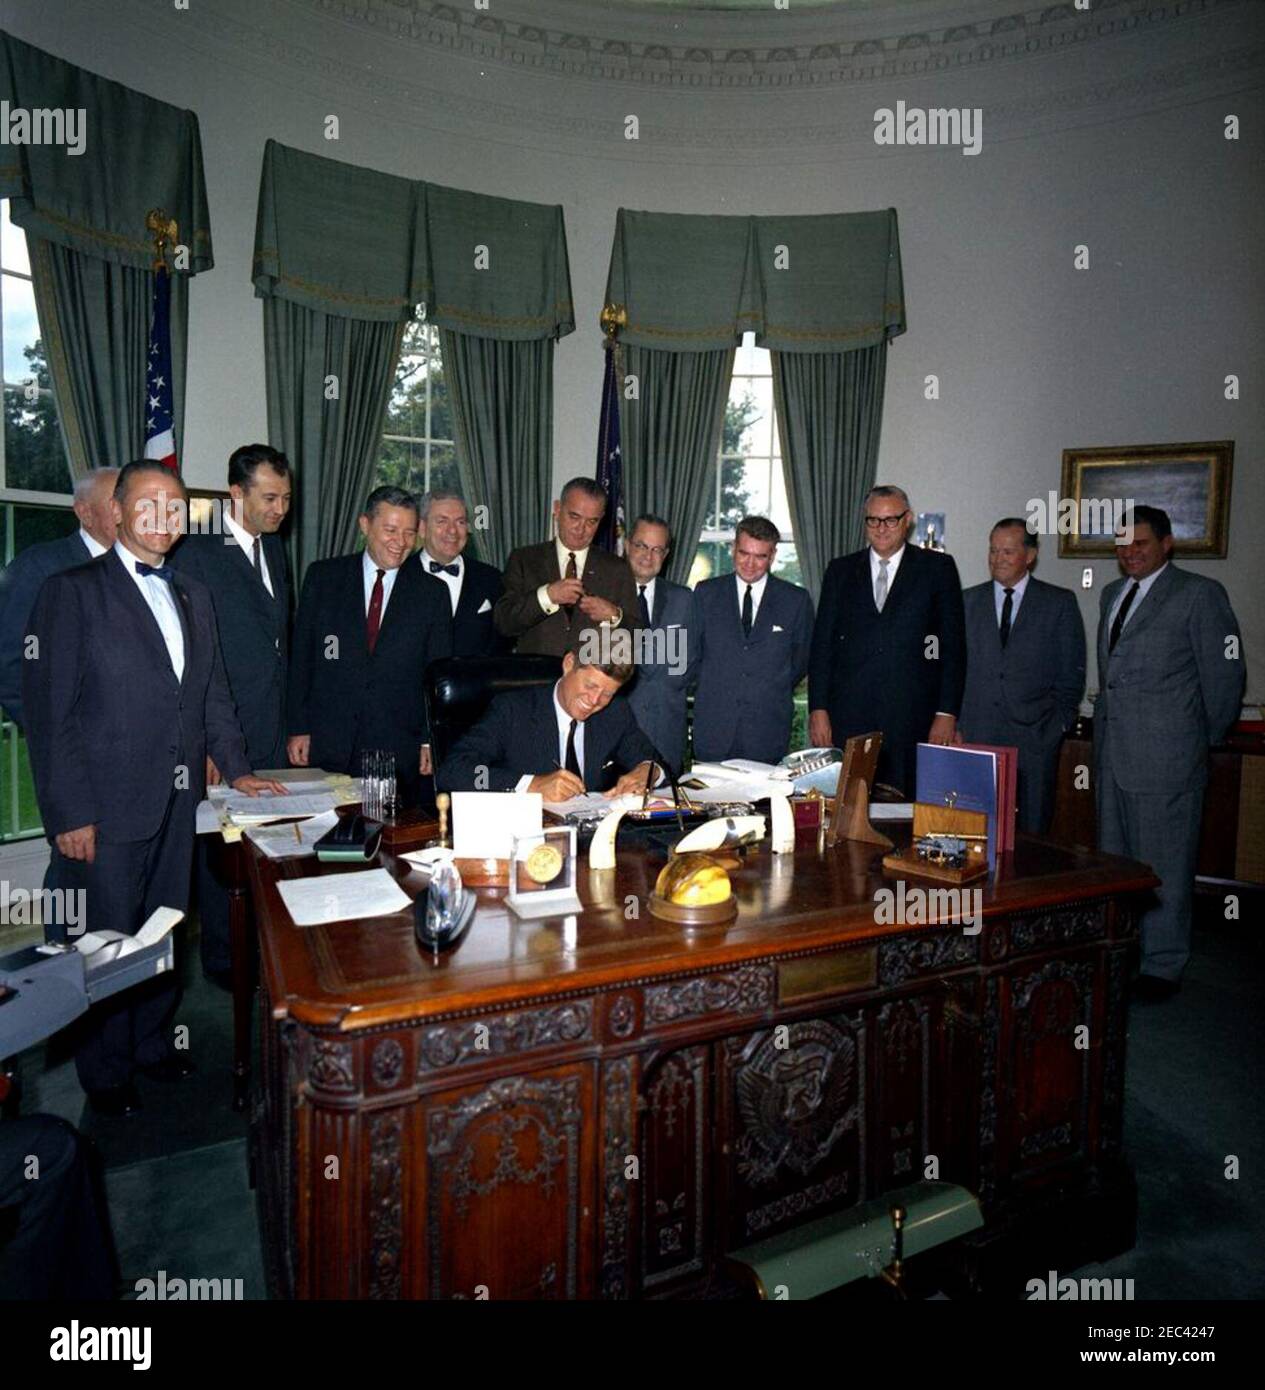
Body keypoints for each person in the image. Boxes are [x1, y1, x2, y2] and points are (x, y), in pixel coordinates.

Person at [21, 461, 283, 1116]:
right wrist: (68, 815)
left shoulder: (194, 592)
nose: (164, 517)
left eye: (174, 506)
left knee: (162, 932)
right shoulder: (70, 591)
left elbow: (212, 696)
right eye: (149, 504)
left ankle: (152, 1045)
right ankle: (105, 1076)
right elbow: (51, 717)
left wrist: (237, 765)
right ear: (116, 511)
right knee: (107, 941)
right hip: (103, 811)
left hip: (178, 800)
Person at [1094, 505, 1244, 1000]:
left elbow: (1226, 680)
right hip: (1114, 757)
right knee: (1118, 865)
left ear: (1166, 544)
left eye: (1140, 543)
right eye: (1122, 544)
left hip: (1169, 760)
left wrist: (1196, 744)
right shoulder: (1113, 595)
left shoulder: (1200, 595)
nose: (1129, 552)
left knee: (1165, 867)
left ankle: (1163, 965)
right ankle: (1125, 953)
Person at [169, 444, 292, 985]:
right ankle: (225, 965)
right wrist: (212, 744)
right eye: (269, 497)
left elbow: (275, 642)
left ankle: (262, 956)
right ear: (235, 494)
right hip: (223, 734)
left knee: (266, 850)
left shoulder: (276, 550)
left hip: (269, 728)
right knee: (221, 860)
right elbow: (193, 659)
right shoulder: (195, 552)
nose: (281, 508)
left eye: (286, 497)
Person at [287, 486, 451, 807]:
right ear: (365, 525)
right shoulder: (323, 578)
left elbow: (438, 673)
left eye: (408, 533)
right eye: (390, 530)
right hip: (327, 742)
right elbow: (301, 659)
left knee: (386, 839)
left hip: (396, 748)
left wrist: (428, 740)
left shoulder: (432, 593)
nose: (400, 542)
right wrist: (298, 727)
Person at [808, 486, 966, 795]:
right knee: (849, 813)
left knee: (907, 814)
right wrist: (818, 707)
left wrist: (946, 713)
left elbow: (952, 648)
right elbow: (822, 644)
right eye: (873, 520)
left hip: (913, 717)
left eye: (890, 520)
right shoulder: (840, 571)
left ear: (907, 520)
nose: (881, 528)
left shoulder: (938, 569)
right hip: (849, 719)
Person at [957, 518, 1085, 833]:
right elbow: (952, 670)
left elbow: (1071, 675)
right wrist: (956, 724)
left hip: (1035, 742)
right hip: (977, 738)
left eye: (1008, 552)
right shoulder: (966, 602)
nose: (997, 559)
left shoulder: (1059, 603)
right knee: (974, 835)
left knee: (1032, 836)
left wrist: (1058, 726)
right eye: (993, 551)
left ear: (1030, 555)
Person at [436, 648, 661, 799]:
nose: (594, 701)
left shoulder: (615, 713)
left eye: (607, 693)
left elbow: (657, 763)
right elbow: (454, 771)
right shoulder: (512, 710)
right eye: (591, 686)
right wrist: (529, 784)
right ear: (569, 664)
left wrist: (646, 773)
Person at [0, 467, 118, 730]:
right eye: (116, 504)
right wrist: (55, 734)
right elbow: (10, 664)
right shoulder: (41, 567)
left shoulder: (155, 571)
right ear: (85, 513)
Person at [692, 516, 814, 764]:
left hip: (767, 732)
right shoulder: (706, 593)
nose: (750, 564)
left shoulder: (795, 600)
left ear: (773, 555)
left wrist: (766, 687)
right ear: (733, 549)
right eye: (743, 553)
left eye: (760, 556)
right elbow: (693, 654)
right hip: (713, 730)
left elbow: (801, 661)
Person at [494, 477, 639, 657]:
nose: (581, 528)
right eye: (574, 517)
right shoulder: (524, 559)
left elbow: (638, 638)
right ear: (557, 509)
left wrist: (614, 616)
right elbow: (504, 623)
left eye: (591, 521)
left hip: (590, 681)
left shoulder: (617, 568)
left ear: (601, 520)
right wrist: (547, 597)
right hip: (534, 678)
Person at [623, 514, 699, 776]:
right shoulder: (603, 596)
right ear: (626, 545)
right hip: (615, 734)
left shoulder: (683, 599)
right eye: (641, 546)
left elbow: (685, 666)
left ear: (666, 554)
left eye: (657, 549)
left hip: (665, 734)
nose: (648, 556)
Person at [416, 490, 506, 657]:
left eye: (460, 522)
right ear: (422, 528)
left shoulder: (491, 579)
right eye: (442, 521)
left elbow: (501, 643)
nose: (452, 531)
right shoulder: (399, 576)